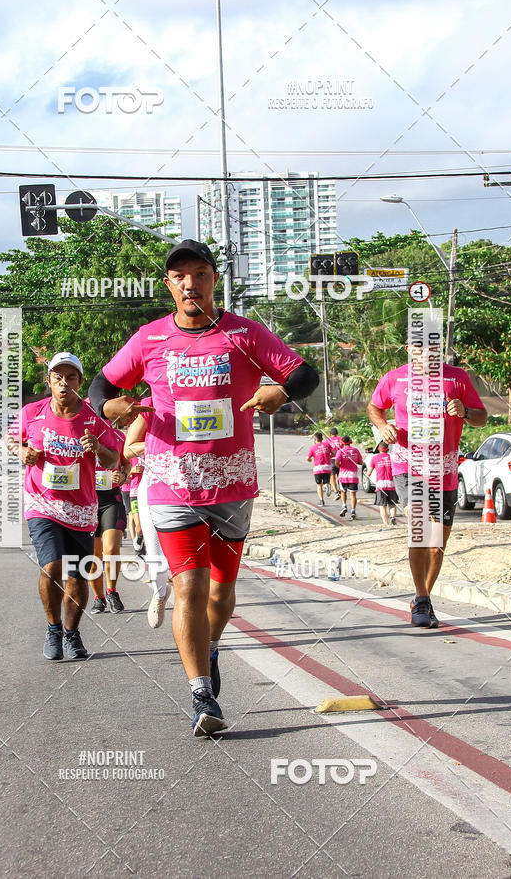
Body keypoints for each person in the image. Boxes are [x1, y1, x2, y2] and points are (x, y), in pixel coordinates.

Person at [89, 238, 319, 736]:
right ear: (169, 285)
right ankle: (201, 695)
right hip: (170, 481)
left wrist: (278, 390)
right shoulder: (148, 339)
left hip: (231, 481)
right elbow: (100, 390)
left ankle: (211, 648)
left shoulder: (244, 333)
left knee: (222, 590)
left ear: (214, 279)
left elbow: (305, 373)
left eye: (199, 273)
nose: (190, 283)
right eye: (180, 276)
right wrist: (113, 409)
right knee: (188, 585)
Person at [6, 352, 120, 660]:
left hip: (80, 509)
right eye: (58, 378)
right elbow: (11, 439)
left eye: (71, 378)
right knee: (52, 565)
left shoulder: (92, 420)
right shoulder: (32, 413)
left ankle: (72, 633)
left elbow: (114, 458)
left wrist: (98, 448)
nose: (64, 383)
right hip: (42, 503)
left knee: (77, 575)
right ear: (49, 381)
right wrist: (22, 451)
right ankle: (53, 628)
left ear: (80, 383)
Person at [368, 347, 487, 628]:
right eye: (420, 347)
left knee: (438, 545)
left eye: (433, 347)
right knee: (420, 525)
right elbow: (374, 407)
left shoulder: (457, 378)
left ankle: (423, 597)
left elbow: (481, 417)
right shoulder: (396, 379)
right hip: (408, 465)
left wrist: (466, 411)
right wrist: (383, 425)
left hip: (444, 469)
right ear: (410, 349)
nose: (427, 353)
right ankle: (421, 600)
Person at [124, 396, 172, 629]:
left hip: (199, 486)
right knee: (155, 552)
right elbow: (129, 448)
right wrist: (158, 444)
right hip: (155, 486)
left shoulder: (206, 393)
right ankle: (160, 593)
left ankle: (195, 605)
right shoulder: (151, 402)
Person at [88, 414, 127, 615]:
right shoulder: (79, 437)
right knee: (93, 554)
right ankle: (98, 598)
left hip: (111, 499)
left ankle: (111, 591)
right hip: (87, 500)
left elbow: (126, 461)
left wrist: (123, 475)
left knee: (111, 547)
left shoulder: (118, 436)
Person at [366, 441, 397, 527]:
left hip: (380, 485)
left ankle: (386, 524)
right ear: (388, 449)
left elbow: (368, 473)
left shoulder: (374, 458)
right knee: (392, 504)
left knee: (382, 505)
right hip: (391, 483)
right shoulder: (392, 457)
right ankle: (393, 517)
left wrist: (367, 476)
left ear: (379, 449)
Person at [335, 436, 362, 519]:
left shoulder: (340, 451)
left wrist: (341, 466)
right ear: (350, 441)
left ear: (342, 443)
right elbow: (360, 462)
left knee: (343, 492)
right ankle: (353, 511)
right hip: (353, 476)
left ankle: (344, 506)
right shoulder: (356, 451)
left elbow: (336, 462)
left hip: (343, 476)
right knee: (353, 494)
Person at [306, 431, 332, 505]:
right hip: (327, 467)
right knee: (325, 482)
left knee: (318, 485)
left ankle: (321, 500)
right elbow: (333, 453)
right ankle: (327, 485)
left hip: (318, 468)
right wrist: (328, 456)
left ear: (315, 439)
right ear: (322, 438)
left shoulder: (313, 447)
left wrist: (310, 459)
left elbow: (308, 458)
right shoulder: (327, 445)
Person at [327, 427, 344, 499]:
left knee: (332, 476)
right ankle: (340, 489)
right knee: (339, 475)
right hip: (340, 459)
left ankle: (336, 492)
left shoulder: (327, 440)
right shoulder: (341, 439)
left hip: (332, 459)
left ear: (330, 434)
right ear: (337, 433)